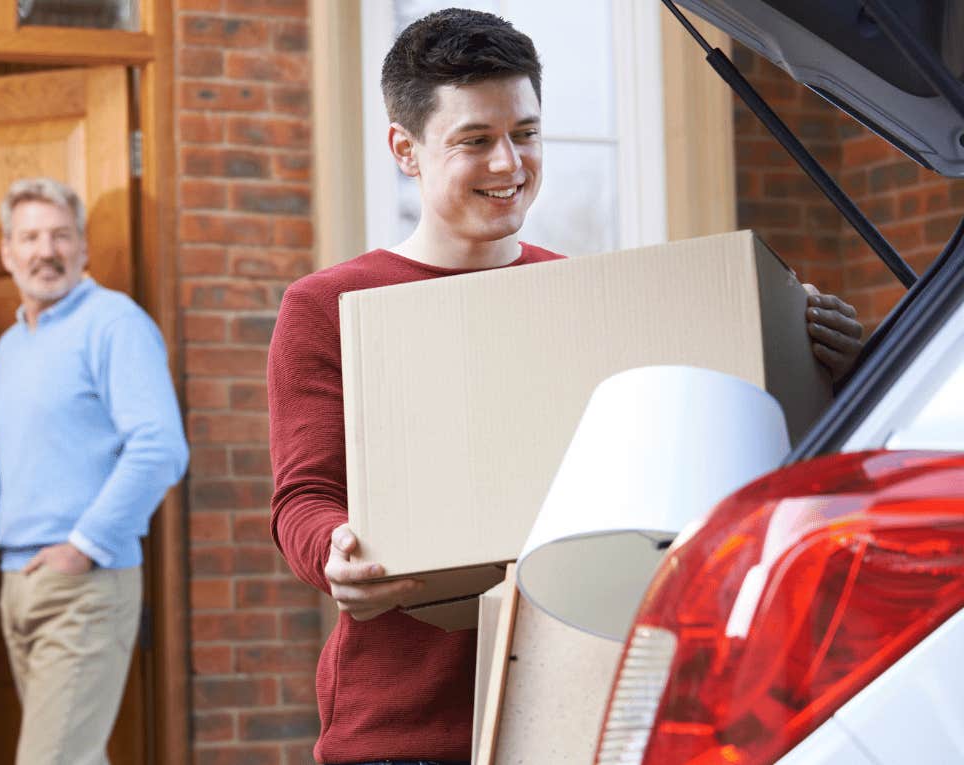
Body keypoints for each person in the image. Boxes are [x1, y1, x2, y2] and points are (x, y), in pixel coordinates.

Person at [266, 9, 866, 765]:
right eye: (475, 141)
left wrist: (829, 369)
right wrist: (334, 553)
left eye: (526, 132)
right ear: (405, 149)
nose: (509, 163)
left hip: (574, 714)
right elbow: (304, 496)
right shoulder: (327, 308)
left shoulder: (582, 299)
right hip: (409, 728)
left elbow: (696, 464)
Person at [0, 177, 188, 765]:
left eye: (61, 235)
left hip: (85, 584)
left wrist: (82, 547)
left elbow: (160, 447)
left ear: (83, 247)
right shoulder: (9, 350)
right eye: (31, 237)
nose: (47, 250)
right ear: (8, 253)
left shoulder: (114, 323)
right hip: (18, 583)